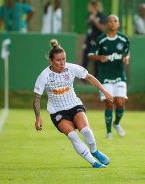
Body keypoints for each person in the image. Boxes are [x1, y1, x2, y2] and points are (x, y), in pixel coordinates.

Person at [33, 39, 113, 168]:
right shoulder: (44, 76)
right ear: (51, 61)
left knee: (86, 130)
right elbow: (36, 99)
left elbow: (90, 77)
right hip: (57, 111)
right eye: (58, 60)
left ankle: (95, 151)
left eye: (64, 59)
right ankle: (94, 163)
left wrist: (104, 91)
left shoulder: (71, 68)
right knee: (73, 136)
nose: (62, 63)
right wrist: (38, 116)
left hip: (74, 105)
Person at [88, 14, 130, 139]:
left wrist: (127, 58)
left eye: (115, 21)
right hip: (105, 77)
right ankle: (109, 132)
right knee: (110, 104)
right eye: (110, 21)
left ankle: (116, 123)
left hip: (119, 77)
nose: (112, 23)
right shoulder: (101, 40)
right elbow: (90, 54)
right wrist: (100, 57)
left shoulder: (124, 39)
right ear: (107, 24)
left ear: (118, 24)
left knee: (120, 104)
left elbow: (127, 52)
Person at [82, 0, 107, 79]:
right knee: (85, 58)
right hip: (89, 40)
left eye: (90, 6)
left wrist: (95, 20)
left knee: (97, 61)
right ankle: (83, 78)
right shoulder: (89, 14)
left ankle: (97, 78)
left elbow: (103, 28)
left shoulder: (101, 15)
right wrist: (90, 19)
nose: (88, 7)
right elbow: (87, 23)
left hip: (98, 41)